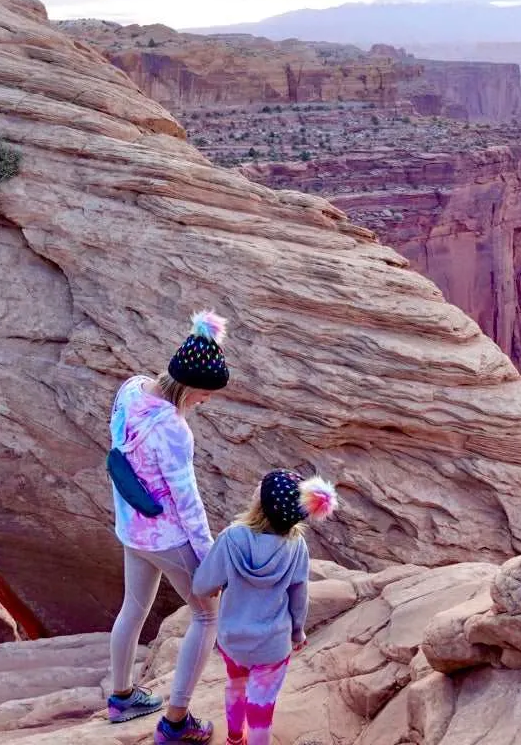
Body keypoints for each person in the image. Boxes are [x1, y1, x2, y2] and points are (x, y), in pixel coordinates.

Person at [107, 311, 230, 743]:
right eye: (205, 394)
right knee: (206, 616)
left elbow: (119, 451)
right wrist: (211, 556)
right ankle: (176, 723)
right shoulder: (175, 431)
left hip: (130, 528)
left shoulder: (132, 389)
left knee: (133, 607)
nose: (206, 401)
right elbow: (189, 503)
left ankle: (121, 696)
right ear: (192, 386)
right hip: (168, 538)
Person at [193, 470, 340, 745]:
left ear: (261, 504)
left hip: (233, 639)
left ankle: (235, 739)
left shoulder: (232, 538)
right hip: (272, 643)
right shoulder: (296, 546)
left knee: (235, 686)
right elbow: (299, 596)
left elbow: (201, 586)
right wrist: (298, 632)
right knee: (263, 703)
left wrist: (219, 584)